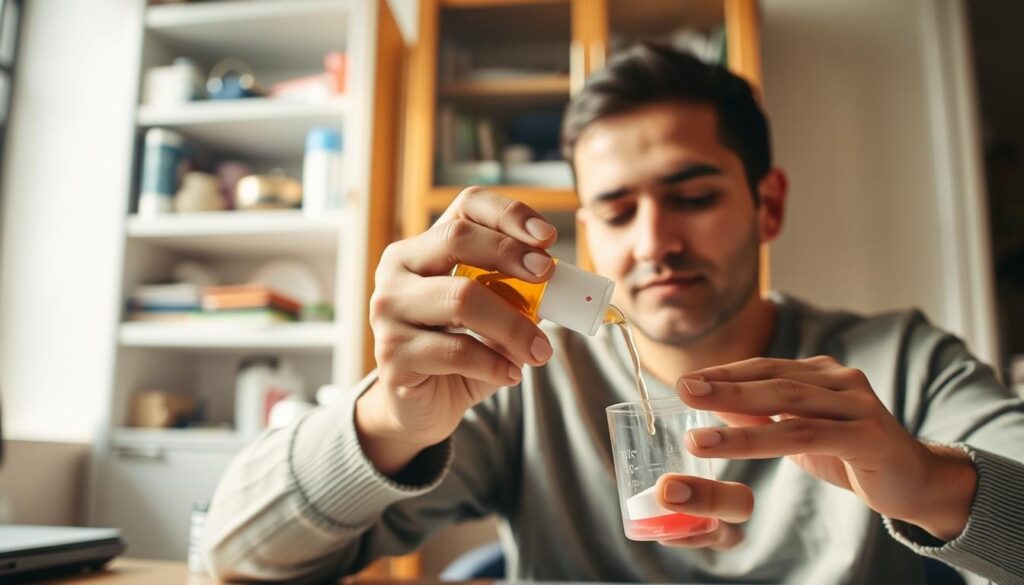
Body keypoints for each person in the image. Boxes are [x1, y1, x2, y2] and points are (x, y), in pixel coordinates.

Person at [203, 44, 1024, 584]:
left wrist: (924, 478)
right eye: (617, 211)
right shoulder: (517, 374)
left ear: (767, 204)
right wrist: (386, 416)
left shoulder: (900, 363)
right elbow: (233, 557)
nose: (655, 241)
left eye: (693, 196)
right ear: (585, 232)